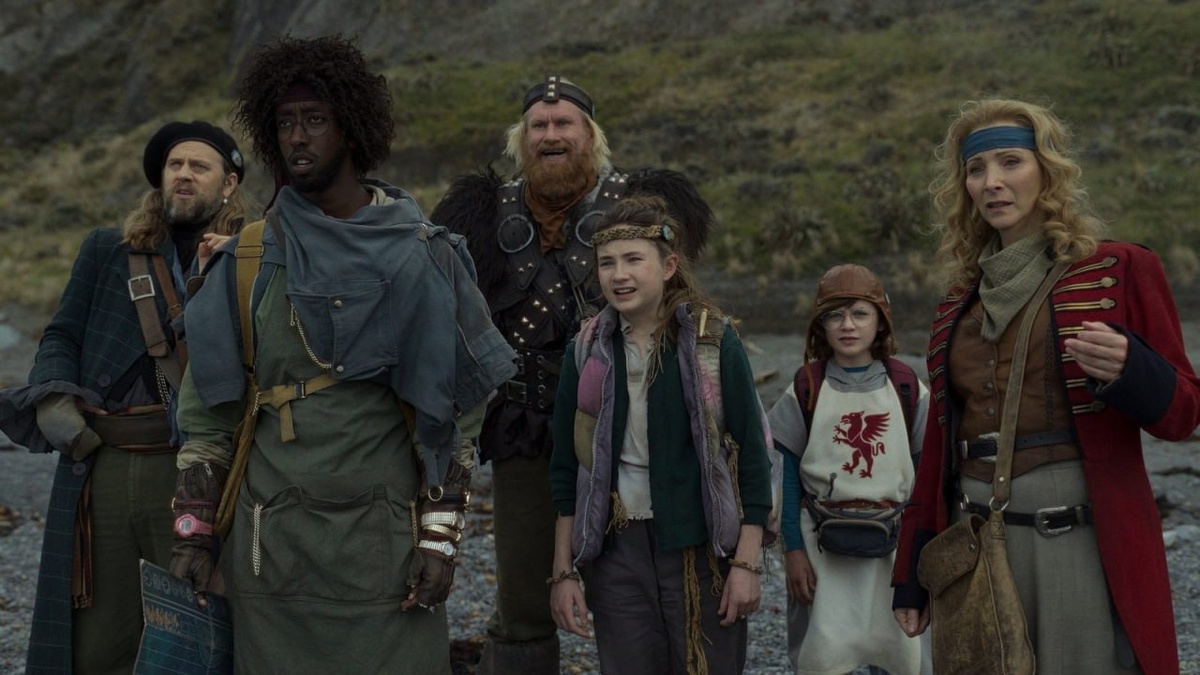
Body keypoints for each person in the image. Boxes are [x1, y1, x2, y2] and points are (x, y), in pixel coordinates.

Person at [169, 35, 516, 674]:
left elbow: (455, 417)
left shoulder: (422, 258)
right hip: (270, 551)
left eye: (315, 120)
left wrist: (440, 539)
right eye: (285, 123)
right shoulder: (248, 261)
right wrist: (194, 531)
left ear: (351, 129)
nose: (297, 137)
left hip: (384, 554)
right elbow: (208, 416)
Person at [891, 99, 1200, 675]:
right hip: (972, 541)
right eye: (976, 169)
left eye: (1011, 161)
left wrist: (1132, 368)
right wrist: (910, 571)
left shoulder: (1120, 269)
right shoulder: (957, 302)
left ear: (1048, 170)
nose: (992, 181)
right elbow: (938, 445)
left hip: (1075, 541)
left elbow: (1183, 414)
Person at [430, 76, 714, 673]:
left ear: (591, 136)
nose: (550, 134)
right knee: (523, 598)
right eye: (538, 125)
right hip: (524, 429)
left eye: (564, 124)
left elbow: (683, 312)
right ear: (521, 140)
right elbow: (445, 314)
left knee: (647, 583)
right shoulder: (481, 215)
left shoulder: (641, 205)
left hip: (633, 426)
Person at [0, 120, 251, 674]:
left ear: (229, 183)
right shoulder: (106, 250)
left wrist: (234, 264)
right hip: (107, 463)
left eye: (199, 166)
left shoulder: (249, 255)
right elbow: (61, 335)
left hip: (197, 468)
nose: (184, 174)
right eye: (175, 165)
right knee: (98, 643)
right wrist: (54, 395)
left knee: (197, 630)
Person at [547, 196, 772, 674]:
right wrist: (564, 572)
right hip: (617, 551)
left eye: (634, 259)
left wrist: (747, 564)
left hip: (701, 547)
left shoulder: (712, 344)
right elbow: (568, 467)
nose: (619, 275)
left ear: (668, 267)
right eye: (607, 263)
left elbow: (754, 455)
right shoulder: (587, 351)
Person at [767, 264, 927, 675]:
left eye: (860, 313)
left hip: (892, 547)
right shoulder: (806, 387)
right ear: (820, 325)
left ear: (880, 320)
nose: (848, 325)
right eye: (834, 315)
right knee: (822, 654)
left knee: (899, 652)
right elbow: (786, 480)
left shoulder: (906, 386)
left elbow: (925, 476)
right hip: (822, 546)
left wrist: (919, 552)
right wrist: (793, 551)